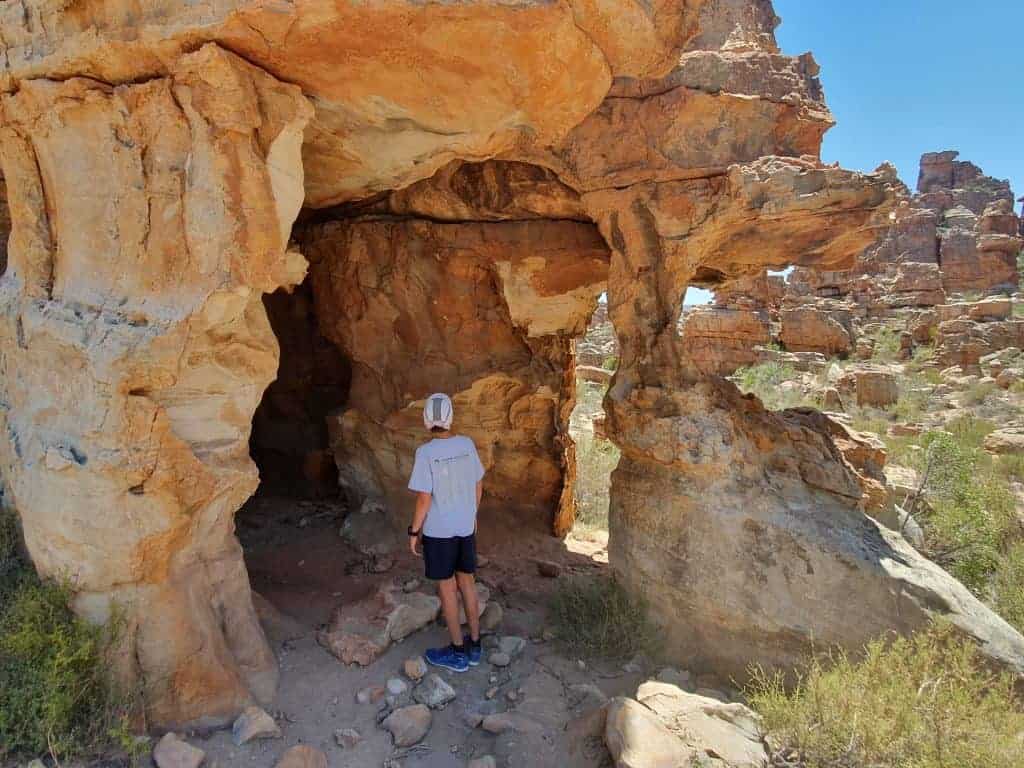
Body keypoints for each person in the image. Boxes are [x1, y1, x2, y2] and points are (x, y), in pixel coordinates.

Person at [407, 392, 485, 672]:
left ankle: (457, 652)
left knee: (448, 589)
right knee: (468, 583)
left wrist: (414, 531)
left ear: (426, 419)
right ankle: (475, 645)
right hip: (465, 527)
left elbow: (424, 498)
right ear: (451, 417)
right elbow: (478, 484)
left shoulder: (425, 453)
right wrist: (472, 514)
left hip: (440, 533)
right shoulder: (467, 444)